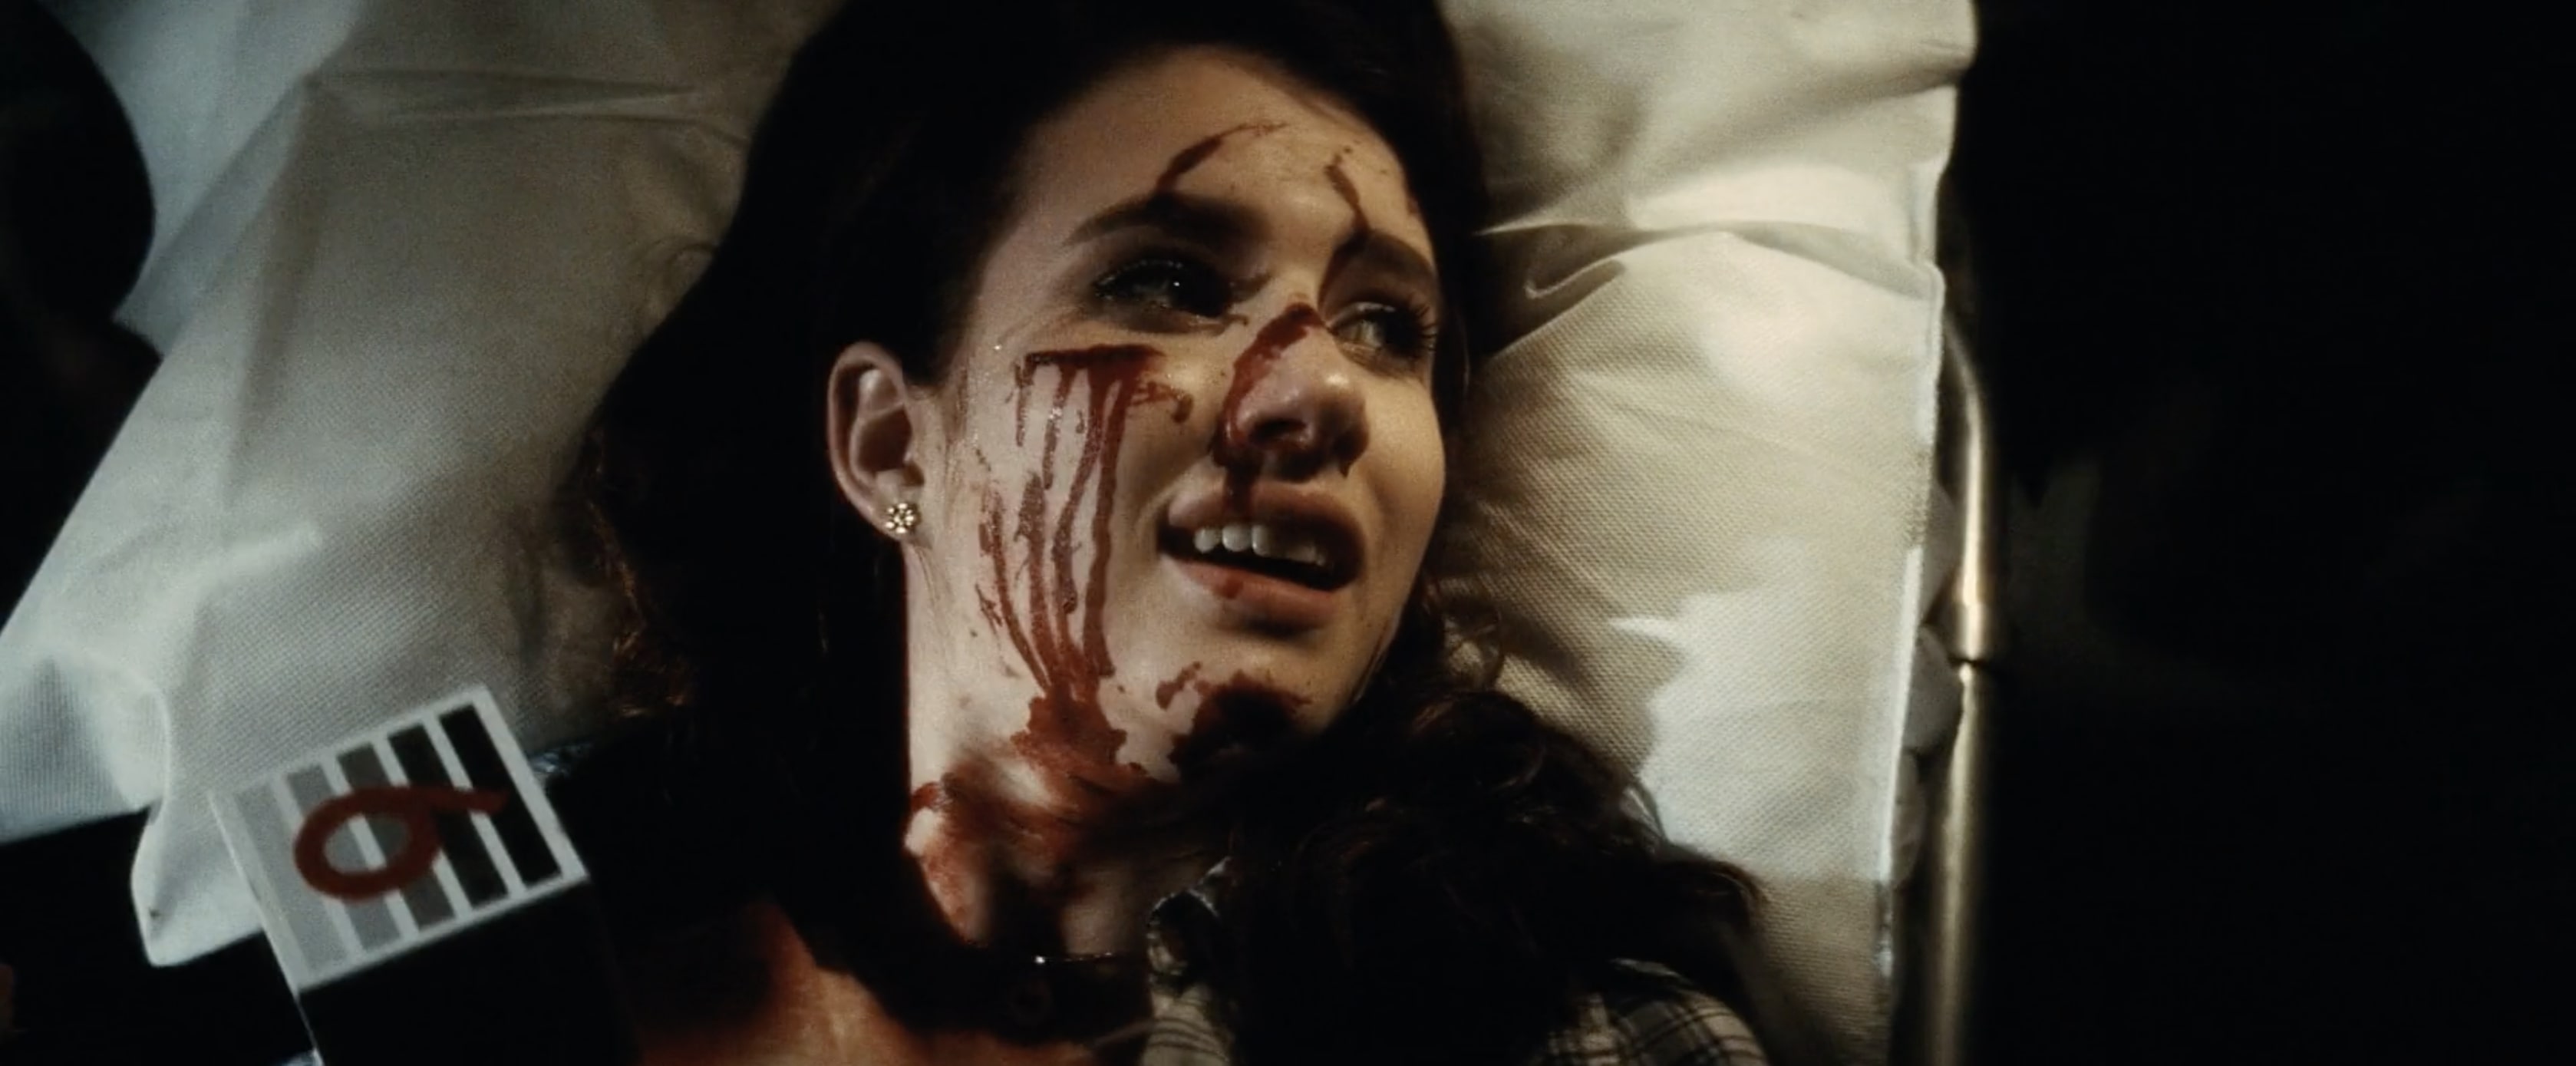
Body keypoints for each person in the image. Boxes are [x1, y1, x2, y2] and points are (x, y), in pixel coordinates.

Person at [560, 1, 1800, 1062]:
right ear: (890, 442)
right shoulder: (547, 939)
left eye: (1383, 325)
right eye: (1167, 282)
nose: (1323, 389)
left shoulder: (1584, 1037)